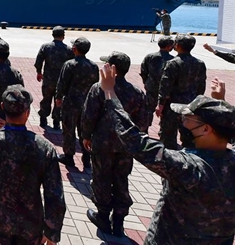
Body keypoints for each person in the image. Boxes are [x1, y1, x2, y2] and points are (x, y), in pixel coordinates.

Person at [97, 63, 235, 244]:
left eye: (189, 118)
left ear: (206, 129)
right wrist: (220, 105)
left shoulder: (189, 167)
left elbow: (135, 141)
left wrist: (109, 93)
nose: (183, 121)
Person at [0, 85, 65, 245]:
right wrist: (52, 232)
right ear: (28, 112)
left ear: (3, 107)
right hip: (31, 227)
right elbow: (55, 194)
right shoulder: (44, 147)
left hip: (0, 224)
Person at [81, 52, 147, 237]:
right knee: (121, 180)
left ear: (113, 69)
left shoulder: (99, 88)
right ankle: (118, 222)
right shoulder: (136, 92)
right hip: (126, 146)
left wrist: (86, 136)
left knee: (102, 179)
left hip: (103, 145)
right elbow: (142, 122)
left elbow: (89, 115)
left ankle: (103, 216)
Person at [156, 34, 206, 149]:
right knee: (190, 136)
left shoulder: (173, 63)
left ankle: (169, 163)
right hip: (191, 106)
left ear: (177, 45)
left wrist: (160, 105)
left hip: (173, 106)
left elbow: (165, 86)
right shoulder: (200, 64)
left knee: (167, 137)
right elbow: (201, 86)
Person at [55, 37, 99, 168]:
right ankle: (86, 158)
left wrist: (58, 98)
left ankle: (69, 157)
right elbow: (96, 86)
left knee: (69, 130)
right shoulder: (93, 66)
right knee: (85, 131)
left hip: (71, 103)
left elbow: (62, 83)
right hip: (87, 104)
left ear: (74, 49)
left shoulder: (69, 64)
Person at [34, 26, 74, 129]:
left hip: (48, 79)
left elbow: (39, 61)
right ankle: (56, 122)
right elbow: (72, 65)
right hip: (62, 81)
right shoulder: (68, 50)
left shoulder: (46, 47)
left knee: (46, 99)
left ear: (52, 35)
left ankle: (43, 120)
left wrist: (39, 72)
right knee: (59, 100)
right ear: (63, 36)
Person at [140, 36, 175, 126]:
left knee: (148, 110)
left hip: (151, 88)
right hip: (167, 91)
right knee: (166, 111)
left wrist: (146, 82)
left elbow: (143, 71)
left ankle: (144, 128)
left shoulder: (150, 57)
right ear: (168, 46)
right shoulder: (173, 60)